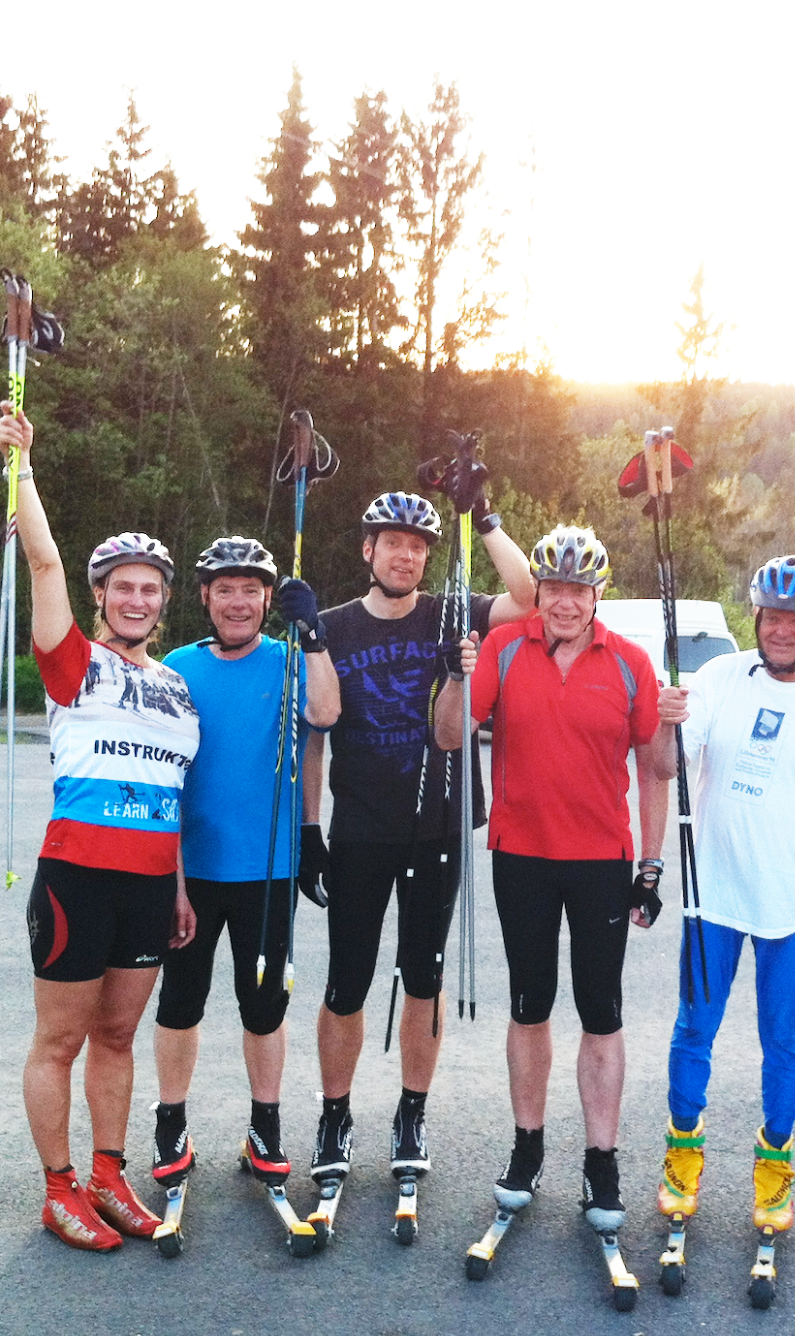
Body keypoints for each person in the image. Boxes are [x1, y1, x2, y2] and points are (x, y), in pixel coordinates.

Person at [6, 404, 200, 1250]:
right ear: (100, 595)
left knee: (118, 1036)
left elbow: (173, 795)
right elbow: (43, 559)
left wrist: (180, 889)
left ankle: (108, 1176)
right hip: (78, 878)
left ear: (163, 602)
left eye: (149, 588)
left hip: (151, 884)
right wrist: (21, 465)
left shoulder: (177, 688)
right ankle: (58, 1190)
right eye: (122, 585)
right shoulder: (72, 663)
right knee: (60, 1041)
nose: (136, 598)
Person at [435, 524, 666, 1233]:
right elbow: (449, 735)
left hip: (602, 860)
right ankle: (527, 1148)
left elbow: (656, 769)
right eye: (554, 588)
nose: (565, 602)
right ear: (538, 591)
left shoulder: (630, 662)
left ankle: (601, 1161)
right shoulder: (503, 647)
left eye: (579, 589)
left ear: (599, 594)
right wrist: (454, 676)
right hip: (523, 857)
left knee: (601, 1011)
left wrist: (651, 865)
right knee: (529, 1005)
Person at [302, 488, 534, 1186]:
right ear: (368, 550)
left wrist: (486, 517)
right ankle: (335, 1116)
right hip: (361, 827)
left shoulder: (452, 615)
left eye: (417, 546)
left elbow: (528, 598)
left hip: (438, 823)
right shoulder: (332, 628)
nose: (405, 556)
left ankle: (411, 1114)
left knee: (424, 977)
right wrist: (309, 828)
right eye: (392, 543)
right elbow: (314, 737)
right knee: (347, 980)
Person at [650, 555, 795, 1232]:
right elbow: (664, 768)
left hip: (790, 906)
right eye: (773, 617)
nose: (782, 630)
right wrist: (664, 723)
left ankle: (774, 1165)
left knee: (783, 1040)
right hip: (712, 897)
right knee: (695, 1029)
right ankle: (682, 1152)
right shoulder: (718, 678)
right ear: (755, 617)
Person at [152, 538, 340, 1188]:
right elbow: (162, 776)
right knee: (180, 1002)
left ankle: (265, 1126)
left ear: (267, 600)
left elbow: (326, 715)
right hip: (192, 871)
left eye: (251, 590)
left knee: (264, 1007)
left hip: (270, 870)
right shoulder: (177, 667)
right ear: (205, 597)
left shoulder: (293, 661)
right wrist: (171, 877)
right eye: (225, 589)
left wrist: (313, 635)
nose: (238, 602)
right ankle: (171, 1123)